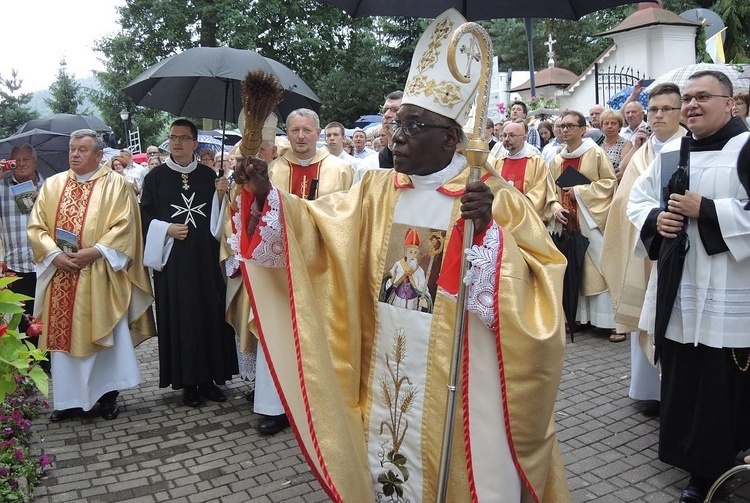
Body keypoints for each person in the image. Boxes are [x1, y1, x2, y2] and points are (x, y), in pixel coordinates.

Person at [230, 9, 569, 501]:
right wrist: (266, 194)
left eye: (413, 124)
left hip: (466, 375)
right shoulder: (378, 190)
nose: (397, 135)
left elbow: (541, 290)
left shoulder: (492, 197)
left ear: (452, 138)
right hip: (389, 354)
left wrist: (487, 232)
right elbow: (319, 229)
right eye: (397, 123)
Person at [627, 70, 750, 503]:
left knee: (725, 382)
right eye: (687, 99)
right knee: (687, 378)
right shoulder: (670, 152)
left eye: (703, 97)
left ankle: (726, 462)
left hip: (735, 291)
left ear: (730, 102)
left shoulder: (746, 149)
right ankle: (698, 468)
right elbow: (636, 200)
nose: (691, 106)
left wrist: (709, 210)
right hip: (681, 289)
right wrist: (654, 220)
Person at [27, 129, 155, 421]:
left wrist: (96, 251)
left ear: (99, 155)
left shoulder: (116, 186)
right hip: (61, 275)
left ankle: (107, 396)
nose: (75, 154)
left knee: (104, 337)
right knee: (64, 344)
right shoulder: (53, 185)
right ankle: (68, 401)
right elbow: (36, 227)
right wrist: (54, 255)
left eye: (83, 150)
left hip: (100, 273)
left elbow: (126, 227)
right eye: (73, 149)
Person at [246, 108, 354, 435]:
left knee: (321, 337)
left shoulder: (341, 169)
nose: (301, 136)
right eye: (295, 130)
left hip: (323, 268)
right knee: (278, 335)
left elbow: (350, 221)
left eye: (307, 130)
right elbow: (255, 216)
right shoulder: (273, 170)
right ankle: (275, 407)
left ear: (319, 132)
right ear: (287, 133)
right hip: (280, 272)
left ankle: (322, 408)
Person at [140, 119, 238, 408]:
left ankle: (211, 380)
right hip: (174, 262)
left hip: (206, 260)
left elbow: (222, 223)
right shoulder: (155, 178)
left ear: (196, 143)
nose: (177, 142)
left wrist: (222, 195)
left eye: (183, 137)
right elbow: (143, 218)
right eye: (172, 137)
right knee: (182, 319)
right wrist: (166, 229)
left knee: (209, 316)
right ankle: (188, 383)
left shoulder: (210, 176)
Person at [601, 83, 686, 415]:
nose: (659, 115)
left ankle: (676, 391)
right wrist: (652, 217)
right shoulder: (643, 151)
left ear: (680, 112)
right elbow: (625, 198)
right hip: (647, 243)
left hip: (678, 247)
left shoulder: (689, 146)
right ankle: (649, 390)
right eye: (653, 109)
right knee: (645, 319)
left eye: (667, 109)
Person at [550, 111, 617, 332]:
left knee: (598, 268)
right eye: (562, 126)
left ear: (582, 129)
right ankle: (577, 317)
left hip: (590, 219)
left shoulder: (595, 153)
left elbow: (609, 183)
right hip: (567, 222)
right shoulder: (557, 158)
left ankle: (607, 322)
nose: (565, 130)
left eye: (570, 126)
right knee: (573, 268)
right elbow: (550, 190)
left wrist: (579, 191)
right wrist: (556, 207)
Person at [0, 144, 44, 341]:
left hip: (47, 263)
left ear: (35, 162)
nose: (21, 164)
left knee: (47, 315)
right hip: (16, 266)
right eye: (16, 161)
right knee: (23, 320)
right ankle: (30, 364)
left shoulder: (50, 186)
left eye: (26, 159)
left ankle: (51, 362)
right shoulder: (2, 188)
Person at [493, 120, 557, 223]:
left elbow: (540, 191)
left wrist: (519, 205)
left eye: (511, 135)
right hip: (502, 218)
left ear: (524, 137)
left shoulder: (535, 161)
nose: (506, 139)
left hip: (527, 218)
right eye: (504, 136)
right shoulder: (499, 162)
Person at [600, 108, 632, 174]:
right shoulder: (597, 143)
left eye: (613, 123)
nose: (609, 126)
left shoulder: (626, 144)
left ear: (620, 126)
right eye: (606, 123)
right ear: (602, 126)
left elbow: (624, 172)